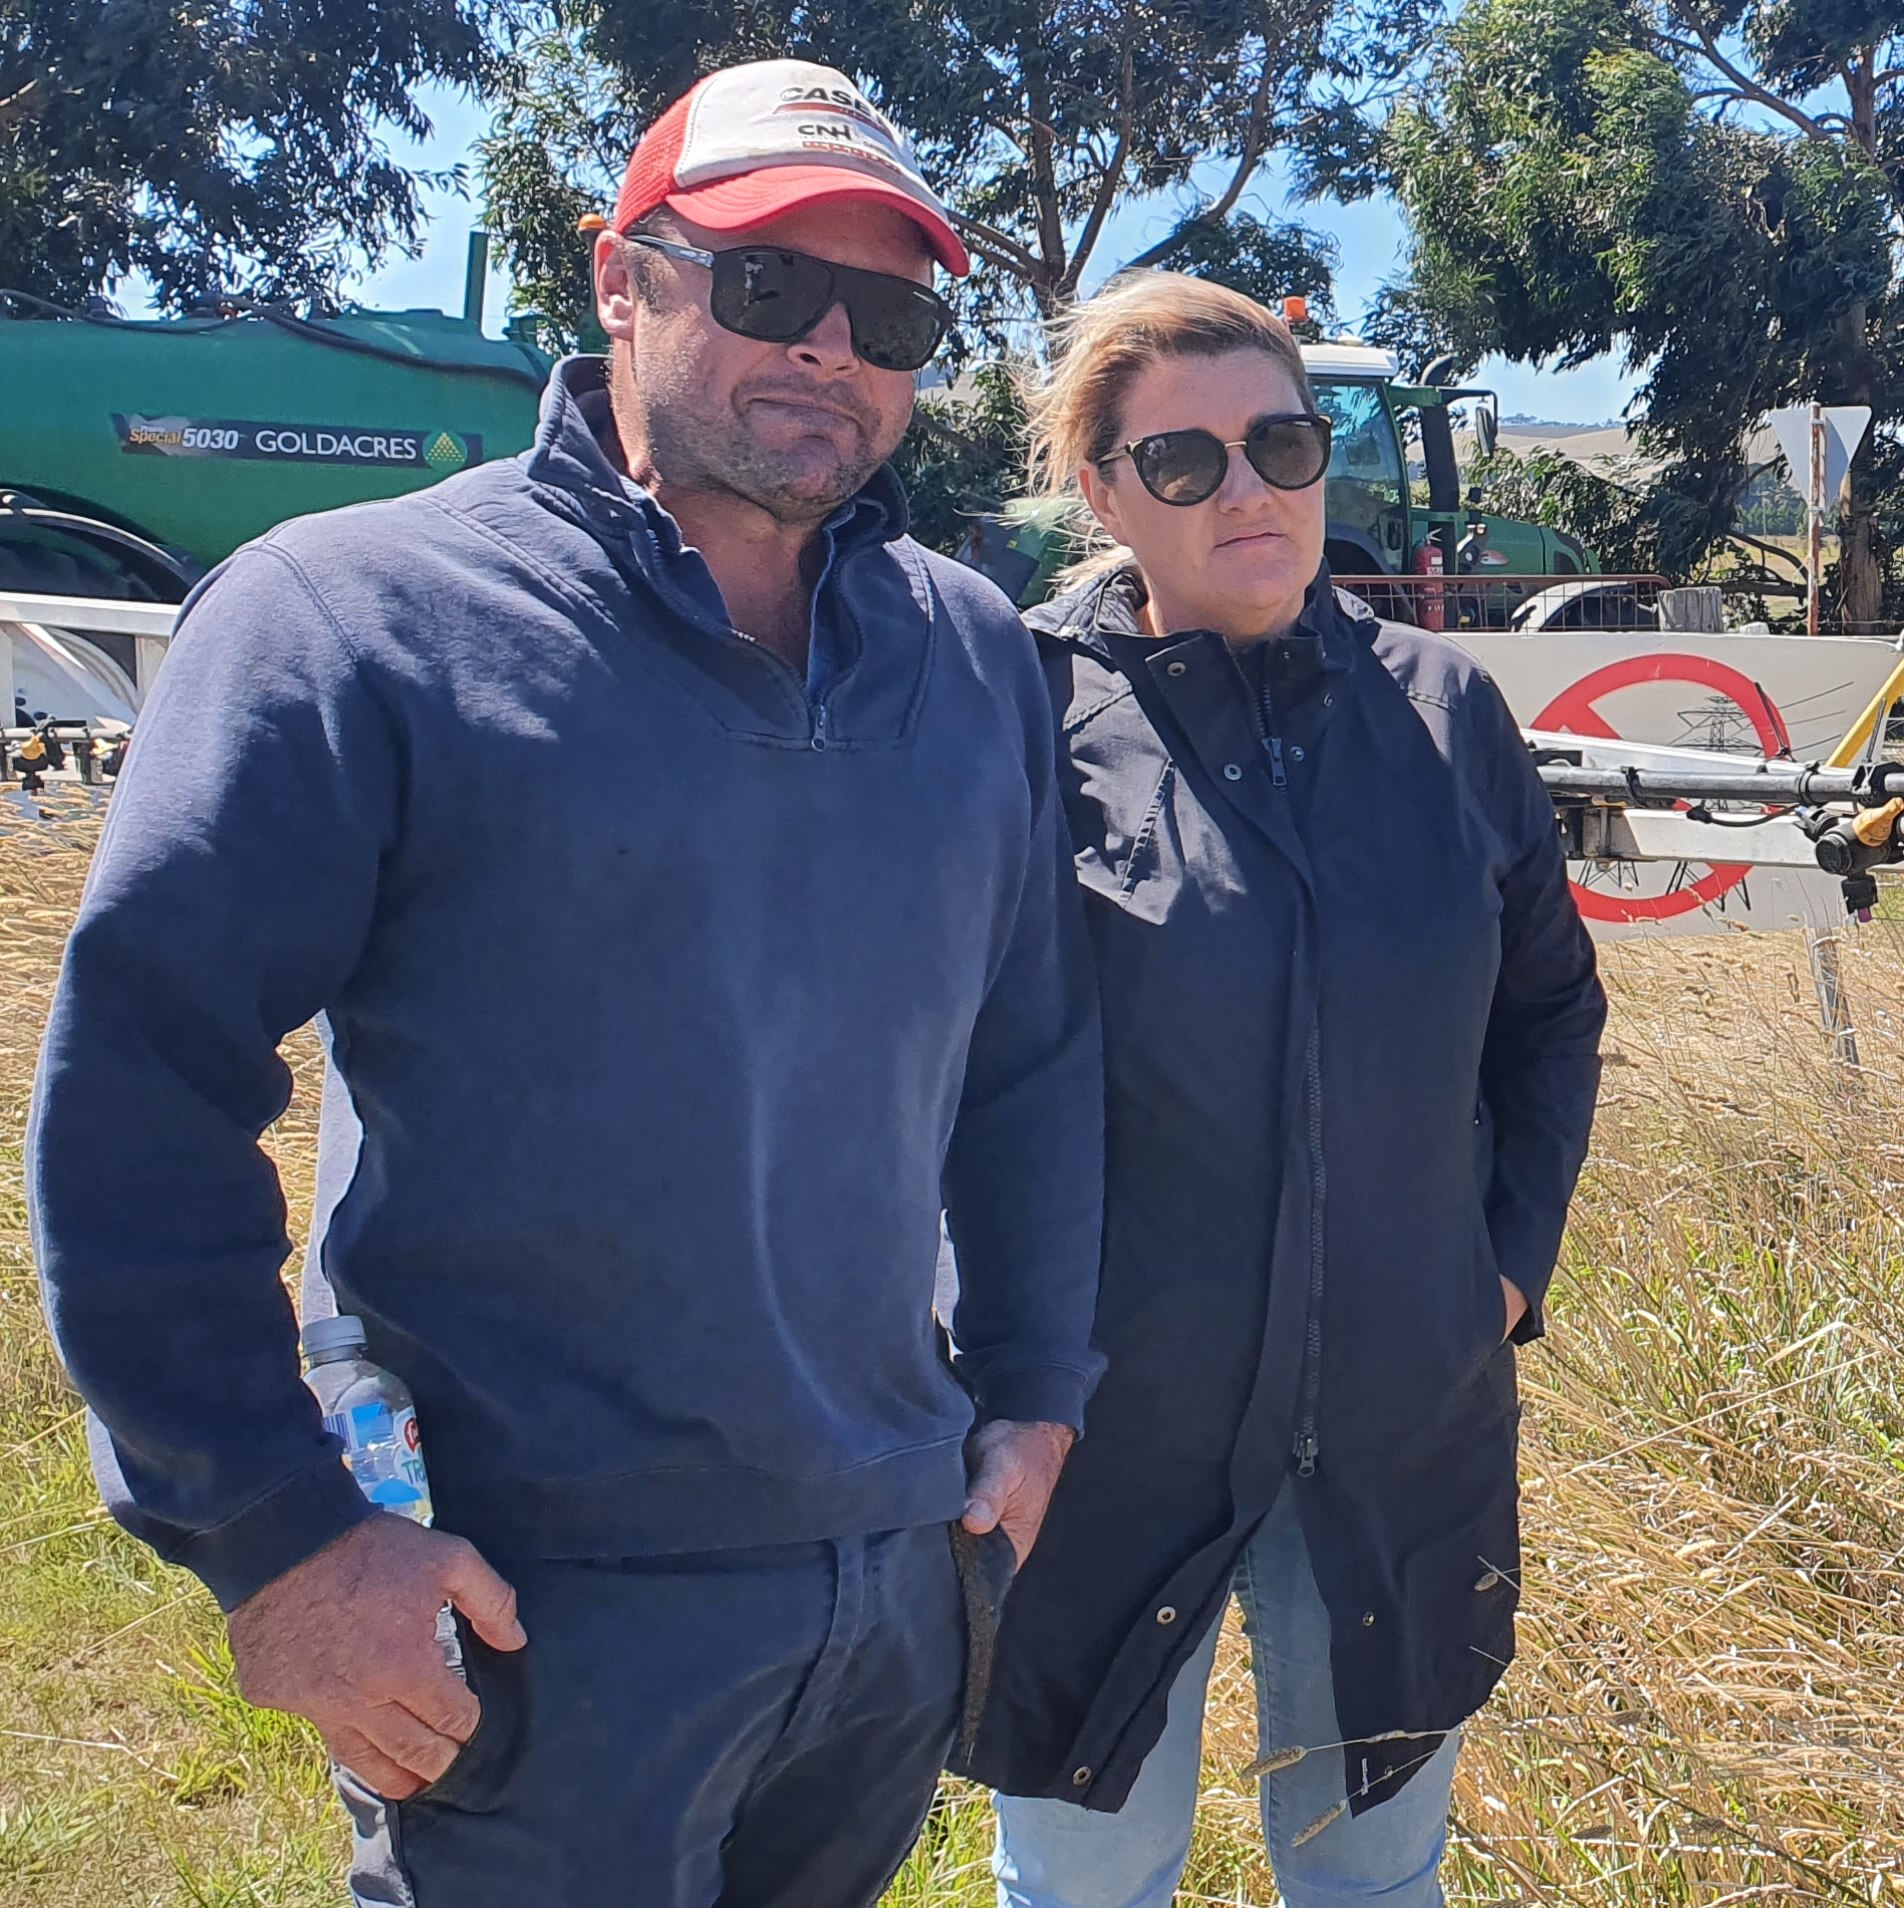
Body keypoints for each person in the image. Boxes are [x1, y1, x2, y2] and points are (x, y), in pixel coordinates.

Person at [26, 59, 1103, 1907]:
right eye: (767, 285)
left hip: (889, 1586)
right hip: (535, 1618)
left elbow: (1028, 1055)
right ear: (622, 279)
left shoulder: (973, 655)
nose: (831, 348)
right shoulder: (353, 619)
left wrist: (1034, 1385)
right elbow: (142, 1087)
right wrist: (279, 1541)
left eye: (894, 314)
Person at [956, 273, 1603, 1908]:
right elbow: (922, 1061)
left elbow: (1550, 1012)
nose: (1246, 489)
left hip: (1397, 1424)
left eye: (1281, 444)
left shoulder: (1447, 715)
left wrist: (1503, 1266)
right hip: (1105, 1438)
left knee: (1374, 1880)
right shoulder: (1020, 722)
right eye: (1181, 463)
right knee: (1086, 1881)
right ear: (1102, 491)